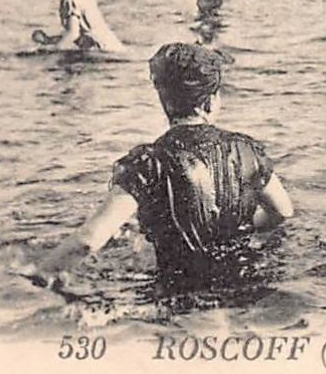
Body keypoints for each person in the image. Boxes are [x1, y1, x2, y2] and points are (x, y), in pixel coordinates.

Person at [32, 43, 295, 285]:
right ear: (210, 101)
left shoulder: (147, 162)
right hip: (244, 284)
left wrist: (38, 275)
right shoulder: (246, 150)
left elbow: (88, 242)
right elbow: (281, 212)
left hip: (176, 291)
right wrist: (235, 226)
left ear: (163, 100)